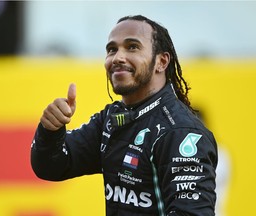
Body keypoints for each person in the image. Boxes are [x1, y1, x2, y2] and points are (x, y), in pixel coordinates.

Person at [31, 15, 218, 216]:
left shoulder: (180, 132)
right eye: (112, 49)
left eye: (132, 47)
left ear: (161, 62)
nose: (118, 57)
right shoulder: (112, 120)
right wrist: (51, 131)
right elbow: (51, 166)